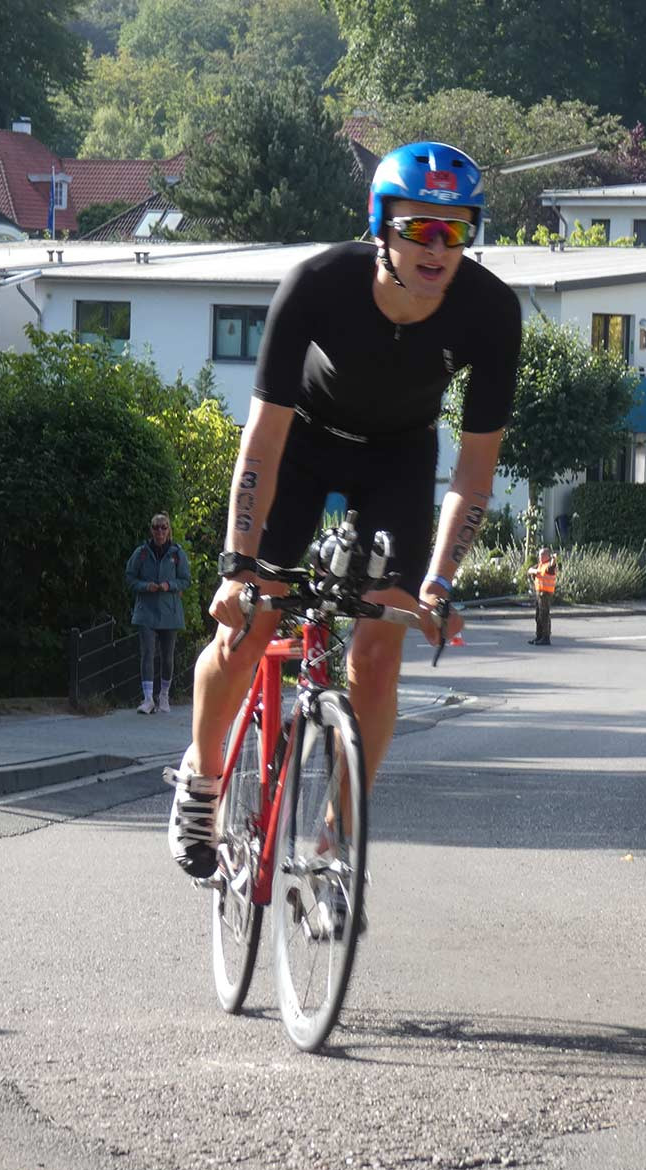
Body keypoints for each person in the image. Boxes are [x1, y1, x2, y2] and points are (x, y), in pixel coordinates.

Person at [165, 141, 522, 879]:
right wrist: (237, 565)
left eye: (454, 231)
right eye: (419, 228)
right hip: (303, 445)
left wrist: (440, 582)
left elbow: (475, 468)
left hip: (398, 458)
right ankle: (200, 782)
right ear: (381, 227)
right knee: (251, 623)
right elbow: (262, 437)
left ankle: (334, 840)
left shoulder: (491, 312)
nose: (436, 247)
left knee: (379, 651)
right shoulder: (319, 284)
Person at [125, 513, 191, 714]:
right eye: (156, 527)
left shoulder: (177, 554)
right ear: (151, 530)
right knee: (147, 654)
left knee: (167, 657)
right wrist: (146, 586)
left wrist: (168, 585)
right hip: (146, 611)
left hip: (169, 612)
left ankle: (164, 695)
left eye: (163, 527)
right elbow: (130, 577)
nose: (160, 531)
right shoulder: (141, 553)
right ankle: (147, 699)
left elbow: (186, 580)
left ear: (169, 529)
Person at [527, 546, 557, 645]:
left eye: (541, 555)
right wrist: (535, 571)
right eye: (539, 555)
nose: (539, 557)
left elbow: (553, 564)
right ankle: (539, 636)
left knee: (544, 616)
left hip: (545, 594)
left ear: (546, 556)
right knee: (538, 616)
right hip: (539, 593)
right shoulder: (540, 565)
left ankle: (546, 638)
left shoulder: (549, 565)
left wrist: (554, 558)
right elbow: (529, 570)